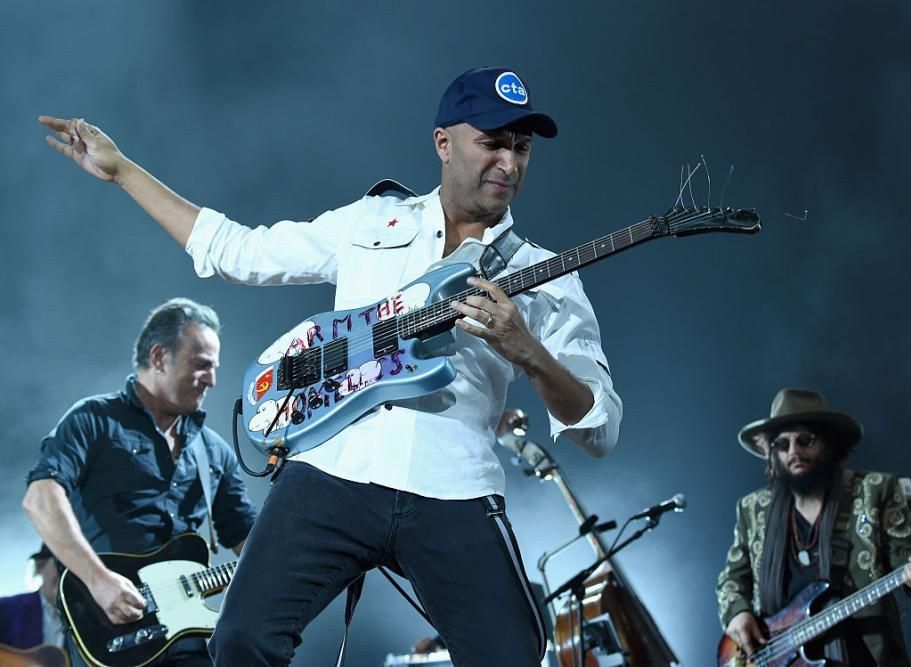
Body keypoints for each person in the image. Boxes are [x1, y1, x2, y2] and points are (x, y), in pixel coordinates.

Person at [38, 66, 622, 666]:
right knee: (240, 639)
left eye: (522, 148)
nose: (509, 162)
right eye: (493, 142)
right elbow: (237, 251)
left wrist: (530, 353)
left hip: (453, 487)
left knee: (514, 656)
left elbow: (598, 429)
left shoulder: (547, 277)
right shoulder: (371, 222)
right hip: (332, 473)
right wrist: (122, 171)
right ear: (444, 143)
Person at [22, 298, 258, 667]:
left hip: (186, 637)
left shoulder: (214, 452)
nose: (212, 380)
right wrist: (99, 580)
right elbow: (40, 499)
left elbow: (249, 539)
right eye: (201, 365)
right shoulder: (94, 420)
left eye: (214, 368)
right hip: (108, 630)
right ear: (160, 357)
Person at [717, 387, 911, 664]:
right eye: (782, 445)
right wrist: (737, 613)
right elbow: (731, 579)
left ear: (829, 443)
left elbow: (906, 560)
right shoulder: (752, 509)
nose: (793, 451)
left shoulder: (874, 492)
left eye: (805, 440)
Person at [0, 544, 64, 650]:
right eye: (60, 565)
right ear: (41, 566)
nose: (64, 576)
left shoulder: (84, 619)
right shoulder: (7, 608)